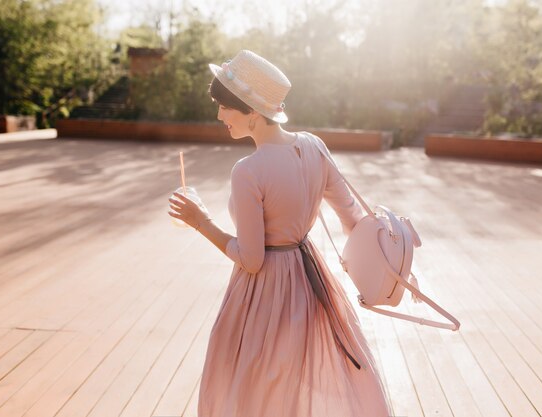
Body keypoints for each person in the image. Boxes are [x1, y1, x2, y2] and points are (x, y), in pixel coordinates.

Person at [168, 50, 393, 417]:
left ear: (252, 112)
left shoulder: (249, 170)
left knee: (250, 390)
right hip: (312, 284)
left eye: (225, 107)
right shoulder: (313, 146)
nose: (219, 115)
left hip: (264, 295)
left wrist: (200, 222)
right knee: (300, 385)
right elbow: (352, 217)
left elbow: (252, 260)